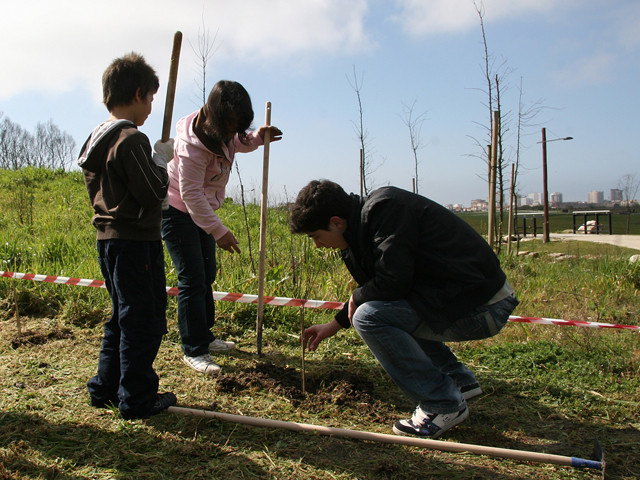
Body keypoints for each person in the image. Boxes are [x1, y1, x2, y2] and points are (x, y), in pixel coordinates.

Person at [290, 180, 519, 438]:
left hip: (484, 307)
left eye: (316, 237)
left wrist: (357, 298)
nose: (317, 245)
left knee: (369, 318)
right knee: (376, 310)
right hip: (467, 301)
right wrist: (333, 325)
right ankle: (457, 381)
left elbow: (391, 284)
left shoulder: (385, 210)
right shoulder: (360, 229)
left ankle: (443, 403)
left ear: (335, 222)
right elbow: (378, 291)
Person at [78, 52, 176, 420]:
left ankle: (105, 386)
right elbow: (152, 192)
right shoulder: (130, 139)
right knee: (145, 319)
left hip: (108, 240)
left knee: (122, 314)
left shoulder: (94, 139)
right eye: (150, 98)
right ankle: (136, 398)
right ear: (137, 93)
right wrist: (161, 161)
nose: (151, 107)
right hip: (136, 241)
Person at [162, 80, 282, 376]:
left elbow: (238, 142)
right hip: (178, 213)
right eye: (230, 124)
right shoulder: (192, 146)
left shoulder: (225, 131)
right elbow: (190, 195)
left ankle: (205, 336)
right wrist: (218, 231)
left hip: (201, 212)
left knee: (207, 274)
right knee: (192, 277)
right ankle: (193, 349)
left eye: (238, 125)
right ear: (216, 116)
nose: (233, 131)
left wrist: (256, 137)